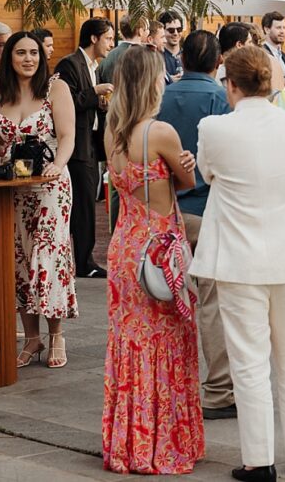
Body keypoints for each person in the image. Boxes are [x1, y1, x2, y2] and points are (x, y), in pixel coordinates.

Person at [192, 45, 285, 482]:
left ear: (230, 83)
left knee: (248, 362)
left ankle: (259, 460)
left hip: (237, 261)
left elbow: (207, 173)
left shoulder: (213, 128)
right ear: (268, 82)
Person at [101, 46, 204, 474]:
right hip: (159, 249)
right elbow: (187, 182)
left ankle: (129, 444)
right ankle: (164, 444)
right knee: (168, 343)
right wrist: (188, 164)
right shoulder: (160, 133)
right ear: (151, 82)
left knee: (130, 346)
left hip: (125, 245)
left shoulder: (112, 132)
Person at [158, 29, 235, 420]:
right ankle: (220, 387)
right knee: (212, 303)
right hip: (209, 210)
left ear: (183, 59)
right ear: (217, 62)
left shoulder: (162, 97)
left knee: (167, 300)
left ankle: (170, 383)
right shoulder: (222, 99)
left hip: (168, 210)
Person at [0, 32, 79, 365]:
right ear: (8, 57)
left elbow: (68, 135)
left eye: (34, 53)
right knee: (19, 259)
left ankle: (57, 337)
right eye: (21, 53)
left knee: (48, 257)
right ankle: (31, 339)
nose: (28, 58)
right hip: (14, 187)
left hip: (51, 186)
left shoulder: (56, 88)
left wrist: (58, 164)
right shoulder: (0, 93)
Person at [55, 18, 115, 279]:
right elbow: (65, 102)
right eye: (109, 38)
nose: (112, 44)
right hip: (75, 145)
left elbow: (86, 102)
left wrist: (99, 103)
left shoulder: (94, 66)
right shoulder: (70, 64)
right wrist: (94, 92)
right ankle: (83, 261)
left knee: (87, 202)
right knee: (82, 205)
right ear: (94, 38)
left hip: (90, 143)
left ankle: (83, 259)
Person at [99, 13, 149, 84]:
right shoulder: (145, 56)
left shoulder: (107, 56)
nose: (148, 32)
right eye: (146, 29)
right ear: (140, 31)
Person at [159, 10, 186, 82]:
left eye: (179, 29)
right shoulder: (156, 57)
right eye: (171, 30)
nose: (176, 33)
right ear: (162, 31)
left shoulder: (188, 56)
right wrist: (167, 81)